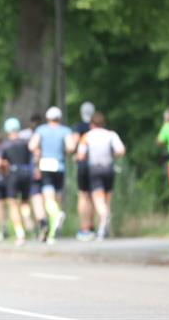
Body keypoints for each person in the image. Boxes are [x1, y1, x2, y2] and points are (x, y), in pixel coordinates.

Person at [29, 106, 76, 244]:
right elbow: (71, 147)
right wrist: (63, 150)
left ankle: (56, 216)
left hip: (46, 164)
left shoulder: (41, 130)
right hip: (59, 165)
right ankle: (53, 232)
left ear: (48, 118)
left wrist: (40, 150)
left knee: (48, 198)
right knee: (57, 197)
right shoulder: (65, 130)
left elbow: (32, 146)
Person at [76, 112, 126, 240]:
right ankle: (104, 228)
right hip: (109, 168)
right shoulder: (111, 135)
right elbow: (121, 150)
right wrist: (112, 155)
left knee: (98, 199)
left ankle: (104, 217)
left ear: (91, 124)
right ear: (103, 123)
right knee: (106, 199)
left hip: (95, 169)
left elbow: (80, 155)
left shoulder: (87, 136)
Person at [0, 117, 40, 245]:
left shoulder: (5, 145)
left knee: (13, 204)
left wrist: (3, 167)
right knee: (25, 202)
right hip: (27, 173)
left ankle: (20, 233)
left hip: (13, 175)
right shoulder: (26, 142)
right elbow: (36, 154)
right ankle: (29, 222)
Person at [71, 101, 96, 241]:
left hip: (83, 164)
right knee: (95, 196)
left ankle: (84, 227)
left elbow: (74, 144)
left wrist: (75, 154)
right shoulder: (97, 127)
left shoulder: (79, 127)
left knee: (83, 195)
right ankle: (93, 226)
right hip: (97, 164)